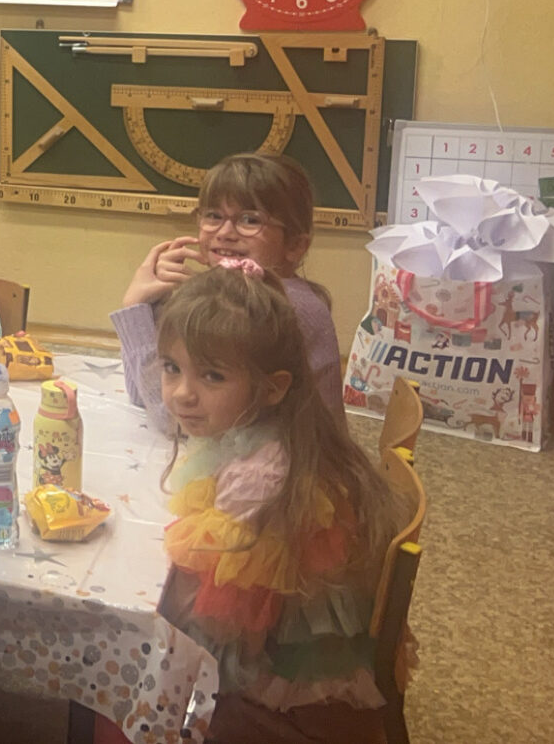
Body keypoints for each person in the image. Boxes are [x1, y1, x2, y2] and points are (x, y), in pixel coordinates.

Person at [145, 260, 406, 744]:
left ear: (273, 388)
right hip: (273, 638)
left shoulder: (260, 474)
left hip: (277, 684)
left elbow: (216, 623)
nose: (181, 394)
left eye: (212, 376)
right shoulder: (267, 431)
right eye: (171, 367)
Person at [115, 154, 342, 428]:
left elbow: (176, 420)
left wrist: (134, 310)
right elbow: (144, 397)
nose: (224, 232)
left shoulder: (280, 308)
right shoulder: (236, 296)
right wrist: (154, 304)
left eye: (250, 220)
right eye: (213, 216)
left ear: (295, 245)